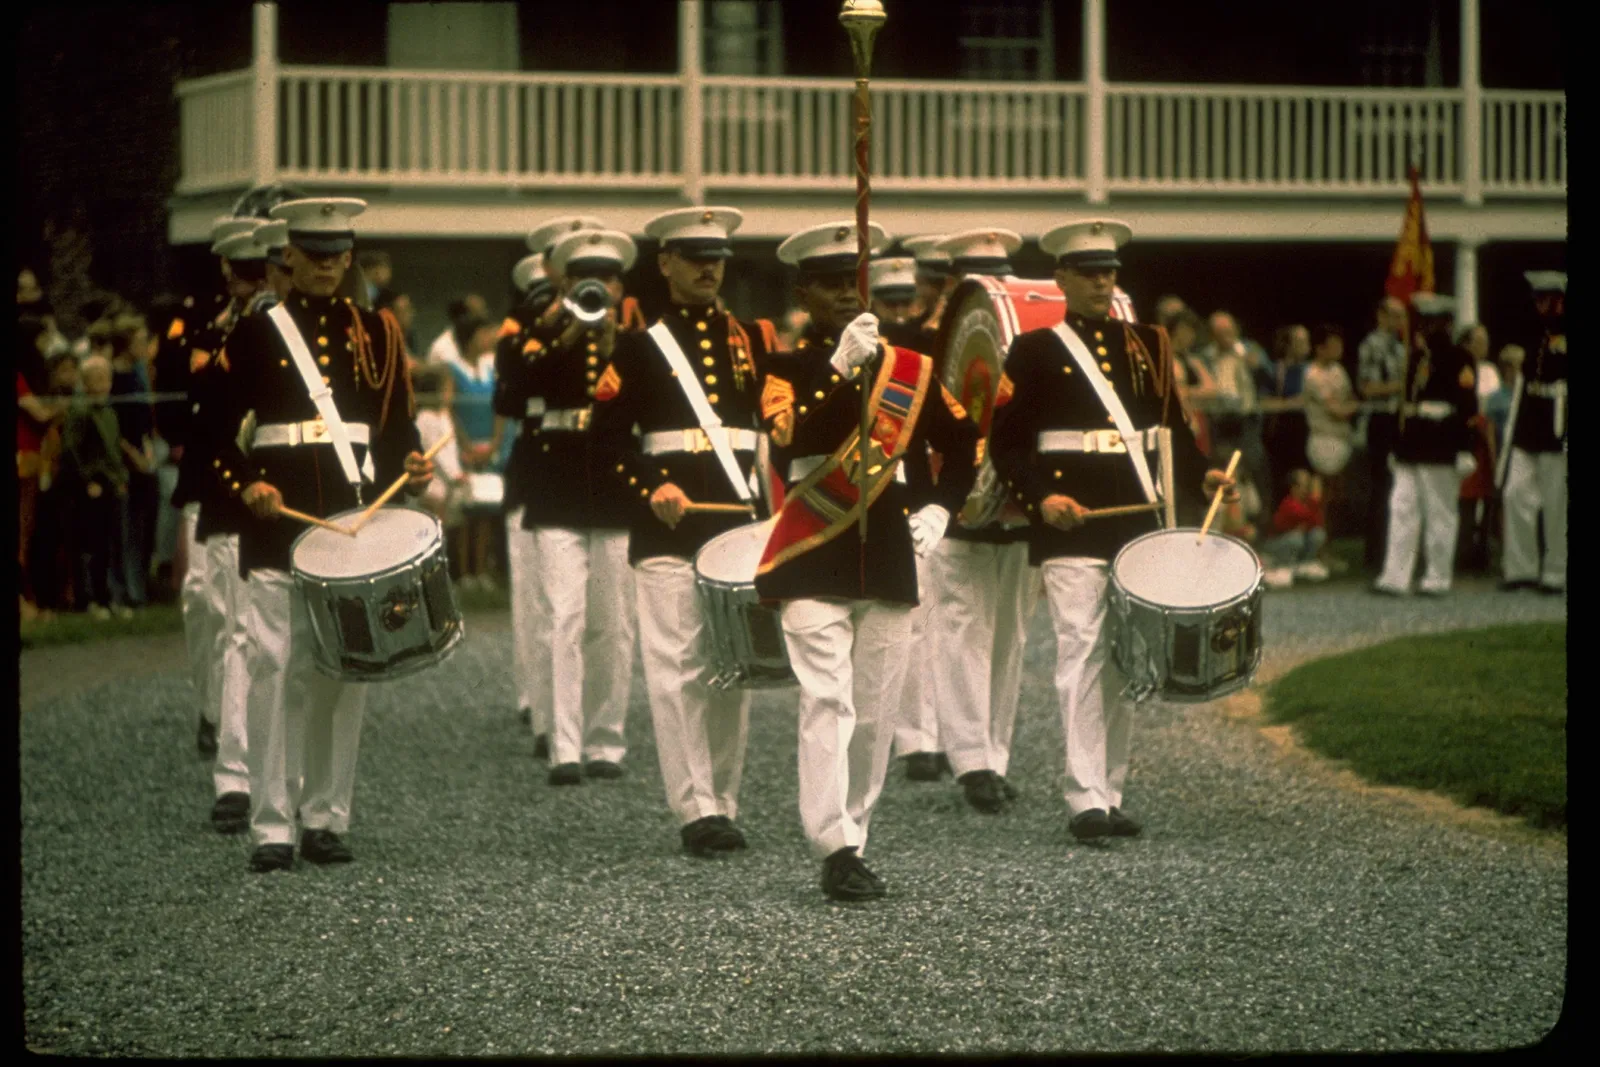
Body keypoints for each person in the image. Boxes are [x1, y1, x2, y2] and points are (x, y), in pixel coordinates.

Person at [199, 196, 432, 873]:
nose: (328, 266)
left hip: (354, 522)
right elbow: (211, 431)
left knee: (344, 671)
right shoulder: (256, 334)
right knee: (276, 668)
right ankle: (273, 822)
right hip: (278, 523)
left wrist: (409, 470)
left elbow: (393, 432)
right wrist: (245, 483)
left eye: (339, 254)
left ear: (349, 257)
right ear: (289, 258)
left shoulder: (379, 332)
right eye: (314, 254)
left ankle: (327, 816)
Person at [989, 217, 1237, 844]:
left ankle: (1111, 790)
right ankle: (1083, 799)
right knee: (1081, 650)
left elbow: (1172, 426)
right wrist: (1041, 498)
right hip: (1073, 522)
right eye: (1090, 273)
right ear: (1062, 279)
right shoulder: (1035, 350)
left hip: (1135, 515)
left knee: (1127, 660)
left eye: (1110, 273)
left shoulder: (1147, 344)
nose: (1103, 283)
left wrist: (1203, 476)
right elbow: (1006, 443)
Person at [756, 220, 979, 900]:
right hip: (811, 547)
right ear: (804, 293)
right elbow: (795, 435)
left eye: (850, 281)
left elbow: (964, 439)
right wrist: (837, 369)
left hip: (886, 549)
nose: (843, 296)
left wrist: (940, 507)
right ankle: (833, 846)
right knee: (828, 698)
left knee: (877, 710)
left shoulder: (908, 369)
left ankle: (856, 834)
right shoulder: (784, 368)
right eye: (826, 285)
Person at [589, 206, 775, 858]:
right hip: (668, 527)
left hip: (736, 528)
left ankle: (725, 798)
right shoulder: (639, 348)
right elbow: (605, 440)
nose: (708, 268)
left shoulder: (753, 340)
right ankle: (695, 807)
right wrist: (651, 484)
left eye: (717, 257)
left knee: (732, 667)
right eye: (694, 256)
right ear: (665, 262)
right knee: (676, 671)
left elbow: (778, 430)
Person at [503, 228, 644, 784]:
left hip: (612, 480)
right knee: (564, 616)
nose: (599, 288)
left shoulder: (634, 339)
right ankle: (564, 744)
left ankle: (606, 740)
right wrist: (561, 336)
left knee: (613, 622)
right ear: (564, 282)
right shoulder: (539, 336)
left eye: (608, 278)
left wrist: (614, 345)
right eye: (586, 278)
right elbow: (513, 395)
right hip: (557, 481)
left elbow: (643, 399)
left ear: (620, 285)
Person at [923, 228, 1037, 811]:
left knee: (1010, 635)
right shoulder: (920, 341)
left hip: (1013, 504)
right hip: (954, 505)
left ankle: (996, 753)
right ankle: (971, 761)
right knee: (962, 630)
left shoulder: (1026, 343)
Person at [176, 220, 284, 830]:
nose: (252, 285)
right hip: (224, 489)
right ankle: (230, 757)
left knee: (258, 633)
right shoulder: (216, 329)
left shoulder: (293, 328)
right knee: (222, 618)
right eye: (244, 274)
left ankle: (260, 773)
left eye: (262, 274)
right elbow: (204, 404)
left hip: (282, 494)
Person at [867, 250, 955, 784]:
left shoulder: (924, 345)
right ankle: (911, 737)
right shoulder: (858, 345)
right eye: (888, 301)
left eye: (907, 300)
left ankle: (930, 734)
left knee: (933, 620)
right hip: (870, 483)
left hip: (919, 482)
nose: (899, 311)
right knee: (900, 620)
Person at [1373, 293, 1477, 597]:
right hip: (1412, 444)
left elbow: (1467, 408)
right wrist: (1396, 444)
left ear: (1446, 324)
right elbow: (1405, 405)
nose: (1425, 327)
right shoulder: (1415, 356)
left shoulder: (1460, 358)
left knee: (1439, 512)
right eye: (1424, 321)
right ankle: (1395, 576)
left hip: (1441, 443)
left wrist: (1463, 447)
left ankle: (1437, 577)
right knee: (1401, 507)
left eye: (1433, 322)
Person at [494, 251, 556, 748]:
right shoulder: (516, 339)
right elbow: (509, 396)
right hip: (533, 473)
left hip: (583, 476)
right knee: (534, 603)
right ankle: (537, 699)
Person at [1498, 272, 1566, 594]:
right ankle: (1520, 569)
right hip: (1531, 422)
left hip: (1559, 422)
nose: (1540, 305)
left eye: (1547, 299)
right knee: (1515, 494)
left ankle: (1556, 572)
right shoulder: (1532, 333)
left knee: (1557, 503)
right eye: (1537, 299)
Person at [62, 355, 129, 620]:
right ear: (85, 382)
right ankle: (90, 598)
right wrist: (87, 481)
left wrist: (121, 478)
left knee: (113, 544)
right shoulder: (80, 412)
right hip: (91, 486)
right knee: (92, 544)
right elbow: (71, 450)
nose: (103, 385)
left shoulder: (110, 412)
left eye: (106, 379)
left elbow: (114, 450)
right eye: (96, 379)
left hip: (112, 484)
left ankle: (111, 597)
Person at [440, 309, 502, 588]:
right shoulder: (451, 368)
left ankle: (482, 571)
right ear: (468, 339)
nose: (488, 338)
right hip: (464, 448)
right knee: (465, 514)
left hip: (490, 447)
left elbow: (501, 406)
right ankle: (463, 573)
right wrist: (464, 445)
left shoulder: (492, 365)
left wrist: (494, 444)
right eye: (482, 333)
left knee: (487, 512)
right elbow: (449, 409)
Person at [1199, 311, 1272, 521]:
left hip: (1246, 420)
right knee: (1225, 472)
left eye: (1228, 331)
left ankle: (1258, 524)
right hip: (1220, 421)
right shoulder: (1206, 356)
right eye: (1219, 332)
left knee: (1253, 468)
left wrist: (1257, 365)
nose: (1225, 336)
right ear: (1212, 335)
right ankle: (1229, 524)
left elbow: (1270, 377)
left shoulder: (1250, 350)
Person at [1357, 295, 1409, 568]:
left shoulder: (1401, 348)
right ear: (1382, 316)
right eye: (1395, 315)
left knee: (1397, 486)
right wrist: (1402, 385)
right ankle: (1375, 553)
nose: (1401, 321)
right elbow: (1367, 387)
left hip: (1397, 419)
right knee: (1380, 486)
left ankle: (1395, 550)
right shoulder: (1372, 346)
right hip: (1379, 419)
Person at [1301, 324, 1357, 523]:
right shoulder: (1312, 374)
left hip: (1342, 437)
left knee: (1337, 492)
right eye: (1333, 346)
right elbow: (1337, 410)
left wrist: (1347, 407)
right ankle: (1318, 536)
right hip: (1323, 439)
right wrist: (1346, 408)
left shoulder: (1339, 370)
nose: (1338, 350)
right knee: (1322, 493)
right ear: (1320, 348)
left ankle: (1330, 538)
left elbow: (1351, 400)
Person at [1455, 323, 1498, 573]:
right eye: (1479, 341)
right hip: (1467, 436)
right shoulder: (1459, 368)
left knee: (1487, 496)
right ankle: (1462, 553)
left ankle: (1482, 551)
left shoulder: (1489, 371)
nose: (1484, 346)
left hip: (1486, 438)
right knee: (1466, 499)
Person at [1264, 324, 1310, 502]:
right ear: (1288, 345)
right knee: (1280, 481)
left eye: (1307, 341)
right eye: (1300, 341)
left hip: (1306, 432)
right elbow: (1264, 401)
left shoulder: (1311, 370)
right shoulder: (1276, 370)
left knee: (1304, 480)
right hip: (1281, 434)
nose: (1306, 346)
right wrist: (1290, 403)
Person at [1260, 469, 1330, 588]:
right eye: (1305, 485)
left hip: (1296, 545)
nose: (1308, 488)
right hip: (1274, 547)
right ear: (1294, 487)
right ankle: (1284, 566)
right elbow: (1305, 515)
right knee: (1295, 538)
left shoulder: (1308, 503)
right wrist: (1315, 497)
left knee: (1318, 534)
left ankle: (1305, 564)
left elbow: (1318, 523)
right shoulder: (1288, 503)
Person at [1167, 309, 1217, 464]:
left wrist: (1187, 391)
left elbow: (1212, 389)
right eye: (1189, 331)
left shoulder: (1192, 360)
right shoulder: (1167, 358)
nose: (1192, 337)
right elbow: (1176, 392)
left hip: (1198, 418)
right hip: (1181, 421)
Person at [426, 295, 489, 366]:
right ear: (462, 318)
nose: (483, 319)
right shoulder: (442, 349)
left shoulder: (487, 345)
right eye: (476, 317)